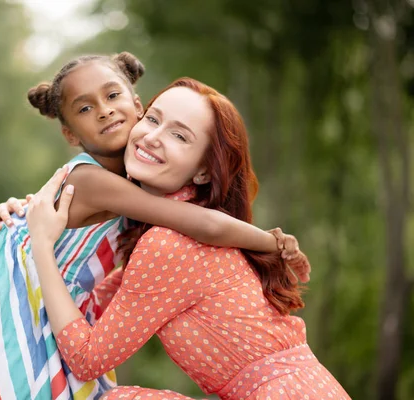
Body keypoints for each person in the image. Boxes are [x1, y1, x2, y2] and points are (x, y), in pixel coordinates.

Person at [0, 53, 307, 400]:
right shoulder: (92, 180)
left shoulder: (129, 183)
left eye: (112, 96)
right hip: (9, 291)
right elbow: (204, 224)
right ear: (70, 134)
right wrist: (271, 242)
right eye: (85, 109)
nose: (104, 112)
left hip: (38, 292)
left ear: (138, 105)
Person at [23, 77, 349, 399]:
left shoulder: (169, 246)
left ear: (203, 172)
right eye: (152, 119)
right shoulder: (171, 235)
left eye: (179, 135)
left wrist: (41, 244)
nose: (152, 137)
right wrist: (18, 221)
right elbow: (91, 304)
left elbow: (86, 358)